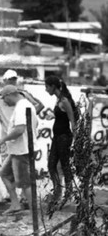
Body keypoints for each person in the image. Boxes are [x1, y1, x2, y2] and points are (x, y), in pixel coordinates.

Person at [0, 85, 39, 216]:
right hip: (18, 150)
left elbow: (19, 129)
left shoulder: (22, 107)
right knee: (5, 174)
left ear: (9, 95)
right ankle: (15, 205)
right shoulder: (25, 106)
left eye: (4, 98)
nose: (4, 102)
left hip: (22, 151)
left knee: (25, 182)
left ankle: (34, 213)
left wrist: (3, 139)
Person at [44, 76, 77, 204]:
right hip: (57, 137)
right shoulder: (59, 100)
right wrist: (53, 116)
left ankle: (68, 194)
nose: (46, 90)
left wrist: (75, 139)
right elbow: (61, 116)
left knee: (64, 165)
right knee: (51, 165)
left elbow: (72, 120)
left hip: (64, 137)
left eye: (47, 87)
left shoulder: (64, 101)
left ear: (53, 86)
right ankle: (57, 193)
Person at [0, 69, 44, 138]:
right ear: (4, 80)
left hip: (21, 131)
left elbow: (39, 106)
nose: (12, 82)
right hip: (6, 131)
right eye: (10, 79)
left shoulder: (23, 94)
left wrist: (27, 117)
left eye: (14, 79)